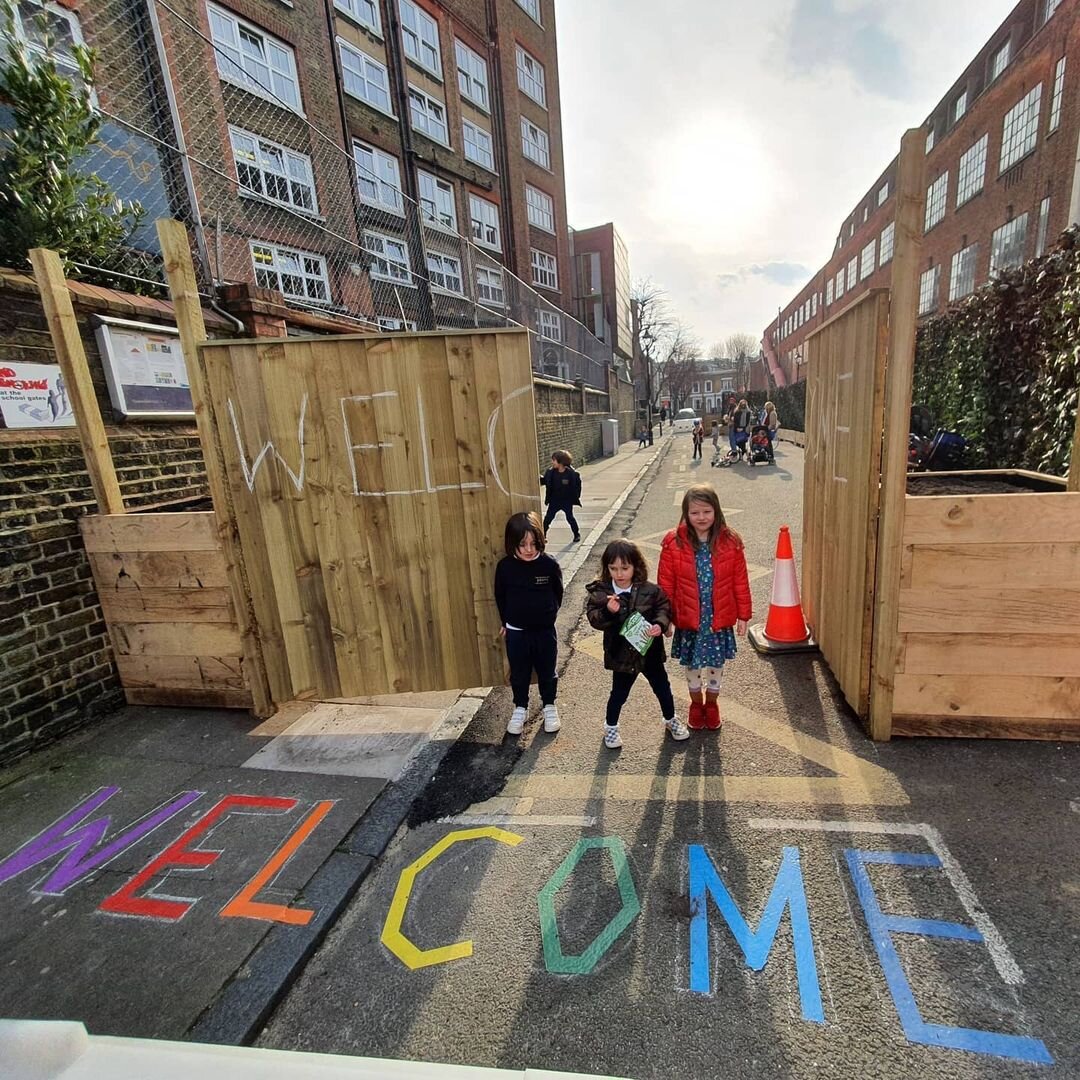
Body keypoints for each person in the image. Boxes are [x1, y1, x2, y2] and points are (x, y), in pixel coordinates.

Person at [657, 484, 752, 731]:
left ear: (716, 511)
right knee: (692, 664)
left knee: (715, 664)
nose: (701, 518)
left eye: (706, 512)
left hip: (717, 618)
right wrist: (664, 619)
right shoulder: (673, 542)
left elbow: (740, 580)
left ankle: (712, 704)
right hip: (689, 619)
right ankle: (695, 704)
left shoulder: (730, 541)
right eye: (695, 513)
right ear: (686, 514)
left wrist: (743, 614)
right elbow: (665, 585)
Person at [586, 540, 689, 748]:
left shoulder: (650, 590)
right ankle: (611, 727)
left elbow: (663, 607)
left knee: (662, 688)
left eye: (625, 568)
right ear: (607, 568)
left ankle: (670, 719)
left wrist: (660, 624)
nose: (619, 574)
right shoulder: (601, 592)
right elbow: (594, 619)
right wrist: (608, 610)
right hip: (621, 654)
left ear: (636, 566)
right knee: (618, 693)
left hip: (649, 650)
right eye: (613, 568)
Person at [494, 512, 563, 736]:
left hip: (544, 631)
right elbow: (500, 596)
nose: (528, 549)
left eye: (534, 543)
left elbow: (558, 593)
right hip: (516, 632)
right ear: (512, 543)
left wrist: (549, 614)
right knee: (519, 672)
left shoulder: (549, 565)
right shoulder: (505, 567)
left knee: (547, 671)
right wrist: (506, 621)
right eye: (522, 544)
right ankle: (520, 707)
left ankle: (550, 706)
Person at [540, 449, 582, 542]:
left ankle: (576, 534)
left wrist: (575, 497)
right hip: (554, 501)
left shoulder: (571, 474)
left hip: (566, 501)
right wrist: (539, 478)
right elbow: (544, 481)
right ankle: (543, 536)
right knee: (547, 519)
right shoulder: (550, 473)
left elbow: (577, 486)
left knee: (570, 518)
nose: (552, 462)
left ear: (561, 462)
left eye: (554, 460)